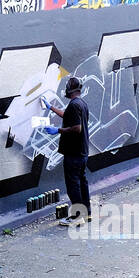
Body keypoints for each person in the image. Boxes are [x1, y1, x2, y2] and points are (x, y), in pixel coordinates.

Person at [46, 76, 91, 227]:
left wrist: (57, 130)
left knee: (73, 185)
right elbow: (67, 116)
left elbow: (77, 128)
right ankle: (87, 213)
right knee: (82, 182)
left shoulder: (74, 105)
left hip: (74, 153)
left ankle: (77, 216)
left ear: (69, 89)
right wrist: (50, 107)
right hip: (83, 152)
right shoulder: (81, 104)